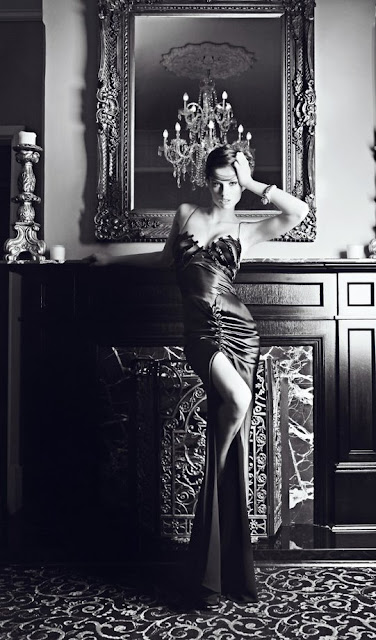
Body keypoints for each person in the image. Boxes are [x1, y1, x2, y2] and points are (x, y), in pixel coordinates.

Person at [97, 146, 308, 607]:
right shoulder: (185, 213)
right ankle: (220, 464)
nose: (225, 191)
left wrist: (253, 183)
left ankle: (218, 567)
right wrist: (111, 261)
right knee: (240, 401)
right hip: (201, 335)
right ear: (205, 180)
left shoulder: (246, 228)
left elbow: (299, 211)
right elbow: (163, 261)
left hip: (241, 333)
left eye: (232, 184)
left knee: (236, 407)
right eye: (218, 182)